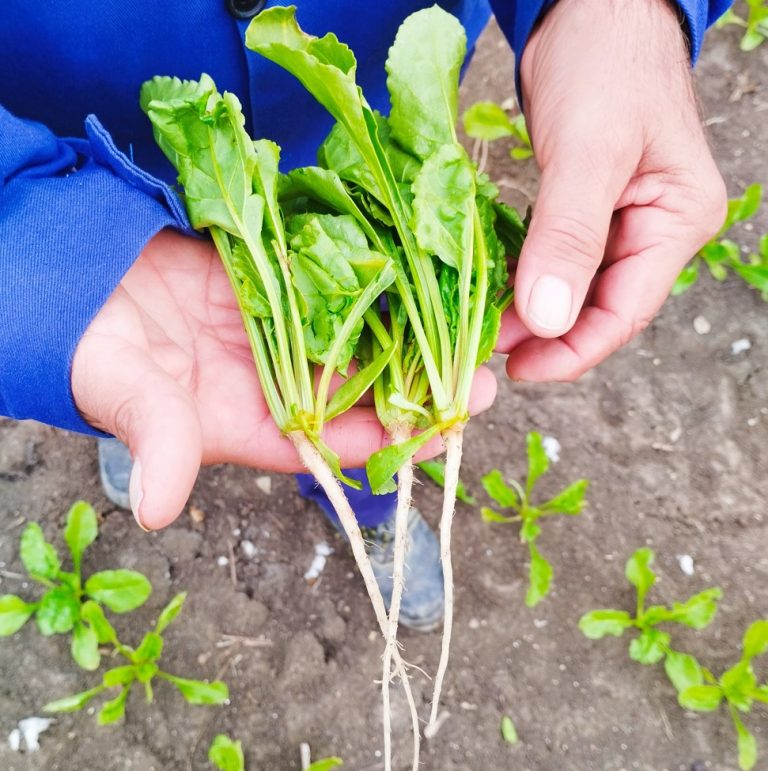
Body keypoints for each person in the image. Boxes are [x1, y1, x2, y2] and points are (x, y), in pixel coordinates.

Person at [0, 0, 728, 630]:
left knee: (372, 409)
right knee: (131, 328)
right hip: (85, 142)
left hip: (360, 84)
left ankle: (374, 512)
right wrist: (44, 262)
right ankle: (126, 396)